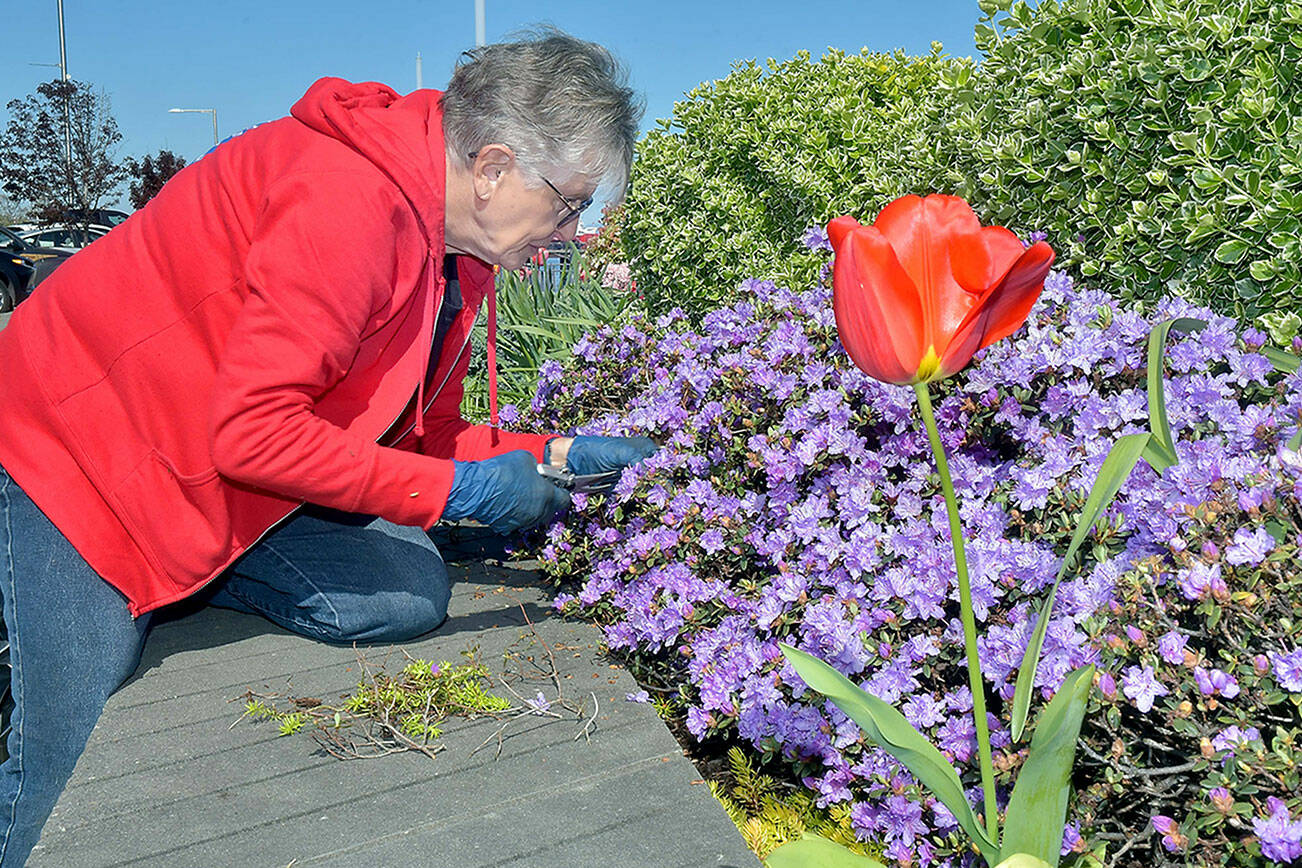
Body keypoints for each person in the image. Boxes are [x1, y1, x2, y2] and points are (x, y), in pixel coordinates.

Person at [0, 28, 654, 865]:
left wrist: (561, 453)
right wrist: (464, 496)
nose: (569, 229)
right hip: (76, 454)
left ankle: (205, 574)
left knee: (405, 592)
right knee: (68, 772)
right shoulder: (349, 200)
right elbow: (254, 434)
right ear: (492, 168)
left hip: (216, 466)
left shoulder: (459, 251)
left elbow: (434, 435)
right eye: (569, 202)